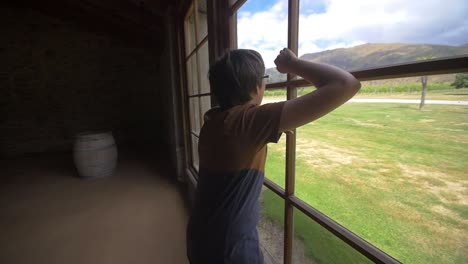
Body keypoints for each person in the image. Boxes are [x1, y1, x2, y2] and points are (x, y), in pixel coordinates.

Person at [186, 48, 361, 263]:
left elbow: (236, 143)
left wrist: (272, 128)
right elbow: (346, 84)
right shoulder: (249, 123)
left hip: (201, 236)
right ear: (256, 87)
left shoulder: (214, 120)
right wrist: (292, 64)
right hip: (230, 249)